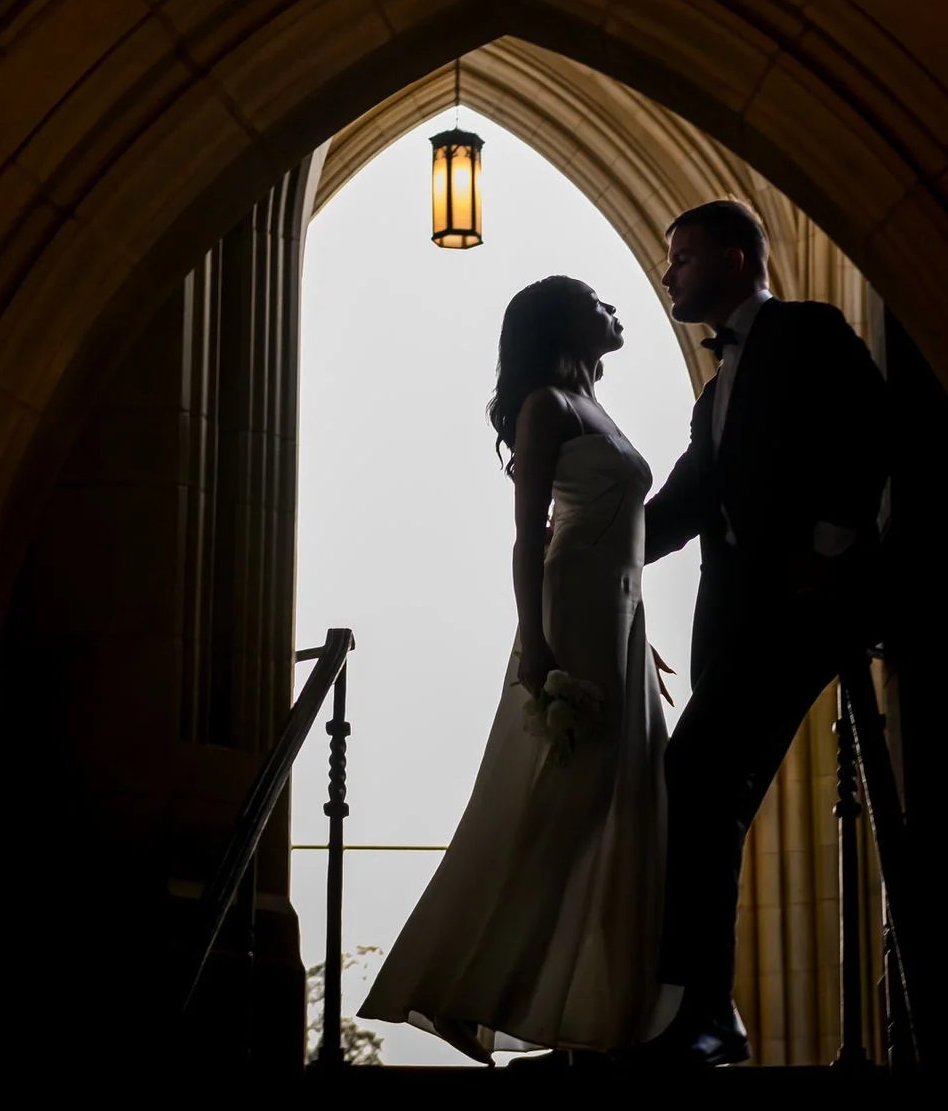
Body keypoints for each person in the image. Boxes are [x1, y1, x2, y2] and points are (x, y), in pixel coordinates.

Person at [364, 276, 669, 1064]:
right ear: (565, 323)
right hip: (574, 615)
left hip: (621, 620)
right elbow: (527, 534)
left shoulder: (595, 406)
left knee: (620, 802)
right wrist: (536, 645)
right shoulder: (548, 408)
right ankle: (466, 989)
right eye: (599, 303)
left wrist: (640, 633)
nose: (616, 313)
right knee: (565, 804)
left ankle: (582, 1007)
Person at [631, 198, 889, 1070]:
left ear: (737, 260)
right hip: (739, 624)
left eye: (683, 258)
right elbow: (685, 502)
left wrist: (827, 548)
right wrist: (591, 542)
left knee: (694, 778)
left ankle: (701, 1017)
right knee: (704, 797)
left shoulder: (808, 332)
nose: (670, 275)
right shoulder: (714, 396)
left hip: (808, 610)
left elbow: (869, 429)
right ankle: (705, 1013)